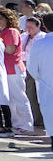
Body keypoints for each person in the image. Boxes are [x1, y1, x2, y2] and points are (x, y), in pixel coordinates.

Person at [25, 14, 53, 153]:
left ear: (44, 26)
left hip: (48, 88)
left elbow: (31, 68)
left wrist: (41, 79)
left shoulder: (39, 44)